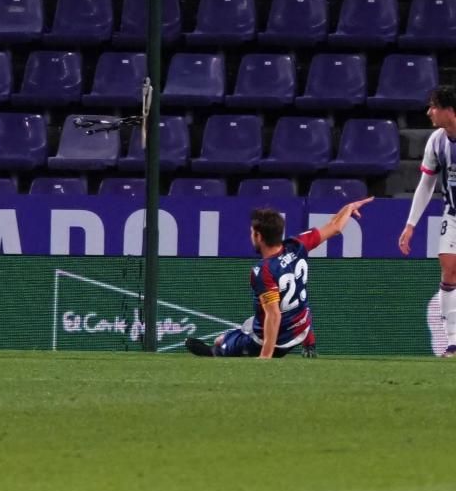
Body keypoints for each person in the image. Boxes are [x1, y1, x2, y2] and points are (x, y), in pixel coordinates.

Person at [186, 197, 373, 359]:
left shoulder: (263, 271)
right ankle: (309, 344)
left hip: (277, 342)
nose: (251, 235)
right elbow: (335, 227)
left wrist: (265, 356)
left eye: (252, 232)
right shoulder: (297, 244)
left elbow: (273, 315)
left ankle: (216, 352)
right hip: (300, 329)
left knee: (220, 343)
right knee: (279, 312)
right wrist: (348, 208)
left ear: (258, 236)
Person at [399, 85, 456, 357]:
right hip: (453, 214)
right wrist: (411, 225)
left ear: (448, 110)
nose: (429, 112)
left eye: (433, 106)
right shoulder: (437, 141)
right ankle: (453, 342)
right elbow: (426, 185)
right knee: (448, 267)